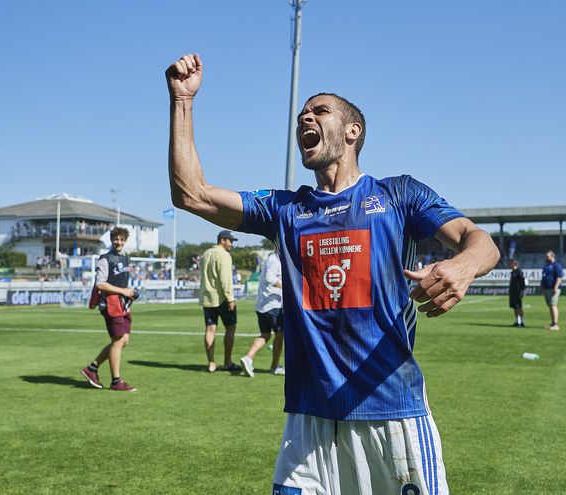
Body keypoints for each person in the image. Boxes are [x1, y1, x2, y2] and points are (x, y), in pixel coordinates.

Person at [166, 53, 499, 495]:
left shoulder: (398, 195)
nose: (306, 116)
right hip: (308, 422)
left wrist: (462, 265)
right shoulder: (285, 208)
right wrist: (182, 101)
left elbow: (478, 239)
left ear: (352, 131)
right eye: (303, 113)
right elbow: (191, 195)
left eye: (319, 110)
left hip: (390, 413)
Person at [80, 227, 138, 392]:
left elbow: (120, 282)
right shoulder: (106, 259)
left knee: (123, 340)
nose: (119, 242)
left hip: (122, 304)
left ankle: (92, 368)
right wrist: (123, 291)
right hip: (110, 304)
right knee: (118, 340)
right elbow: (101, 284)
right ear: (111, 240)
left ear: (125, 241)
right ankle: (116, 381)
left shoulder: (125, 258)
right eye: (116, 239)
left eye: (121, 239)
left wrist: (129, 292)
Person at [199, 230, 241, 373]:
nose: (232, 244)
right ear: (222, 240)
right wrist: (230, 298)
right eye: (230, 241)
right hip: (222, 298)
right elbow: (225, 279)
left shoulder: (205, 254)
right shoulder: (224, 255)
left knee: (210, 329)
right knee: (230, 328)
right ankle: (227, 361)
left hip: (207, 297)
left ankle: (211, 363)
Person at [240, 249, 285, 377]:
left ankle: (248, 358)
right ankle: (275, 366)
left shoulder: (271, 259)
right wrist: (285, 286)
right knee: (279, 334)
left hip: (262, 304)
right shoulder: (274, 260)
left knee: (265, 334)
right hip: (272, 305)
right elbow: (269, 277)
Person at [541, 250, 564, 331]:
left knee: (553, 305)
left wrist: (555, 287)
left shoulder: (556, 265)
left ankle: (556, 324)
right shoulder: (546, 265)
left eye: (548, 256)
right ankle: (553, 322)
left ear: (552, 256)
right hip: (546, 288)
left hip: (553, 289)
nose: (546, 258)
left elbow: (559, 277)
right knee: (550, 306)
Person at [509, 259, 526, 327]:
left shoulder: (519, 271)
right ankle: (517, 321)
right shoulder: (512, 272)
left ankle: (522, 322)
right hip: (513, 292)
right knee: (514, 307)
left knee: (519, 307)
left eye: (510, 264)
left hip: (518, 292)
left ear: (513, 264)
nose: (509, 265)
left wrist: (522, 291)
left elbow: (522, 281)